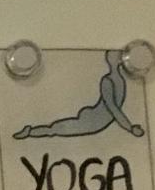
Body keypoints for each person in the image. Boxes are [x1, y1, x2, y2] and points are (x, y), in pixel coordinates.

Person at [12, 50, 146, 139]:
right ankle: (29, 132)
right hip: (93, 121)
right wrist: (129, 127)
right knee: (55, 129)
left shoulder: (118, 80)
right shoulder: (108, 81)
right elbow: (112, 107)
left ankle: (29, 132)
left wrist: (130, 127)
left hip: (95, 120)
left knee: (55, 130)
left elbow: (114, 108)